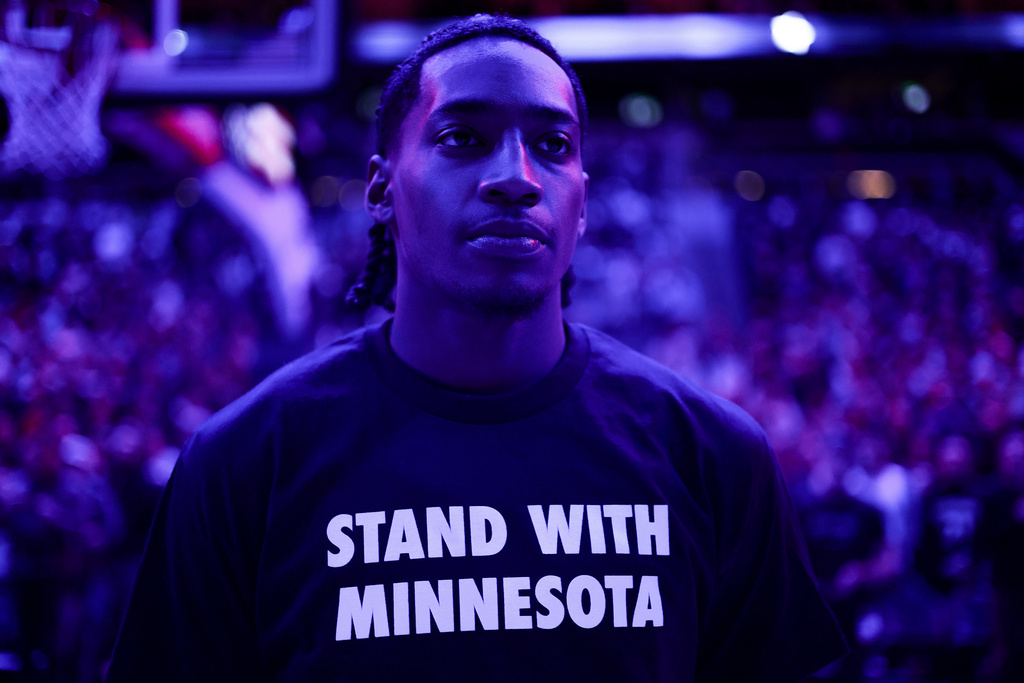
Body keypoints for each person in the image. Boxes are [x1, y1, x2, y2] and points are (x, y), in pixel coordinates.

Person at [106, 14, 847, 682]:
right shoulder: (243, 462)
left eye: (552, 145)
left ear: (582, 202)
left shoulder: (713, 454)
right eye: (463, 138)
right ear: (380, 189)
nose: (515, 179)